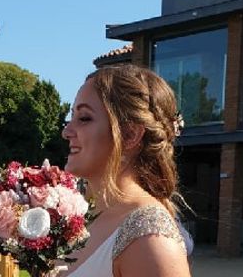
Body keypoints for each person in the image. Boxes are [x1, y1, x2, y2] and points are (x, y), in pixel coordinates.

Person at [60, 64, 191, 277]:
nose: (66, 132)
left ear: (130, 135)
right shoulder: (83, 218)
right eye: (71, 117)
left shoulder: (150, 237)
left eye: (84, 118)